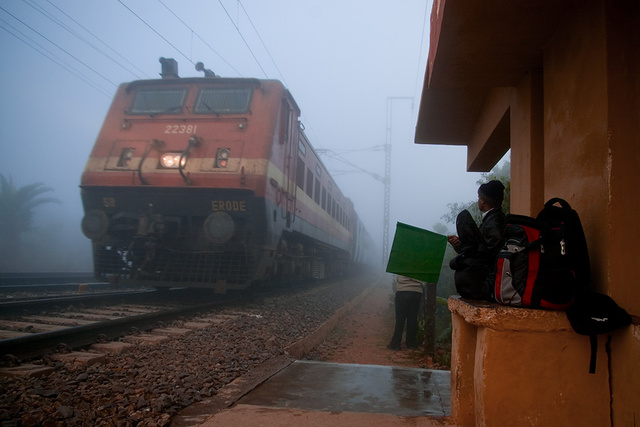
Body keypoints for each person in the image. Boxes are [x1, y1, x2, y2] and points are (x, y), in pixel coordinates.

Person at [447, 180, 506, 300]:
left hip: (489, 283)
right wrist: (461, 245)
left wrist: (467, 249)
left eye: (479, 197)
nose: (478, 200)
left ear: (483, 200)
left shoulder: (494, 223)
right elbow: (479, 249)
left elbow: (486, 256)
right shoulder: (493, 220)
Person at [387, 275, 424, 350]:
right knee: (413, 318)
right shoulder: (421, 264)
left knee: (400, 318)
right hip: (416, 292)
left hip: (402, 290)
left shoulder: (403, 263)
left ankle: (395, 344)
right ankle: (411, 344)